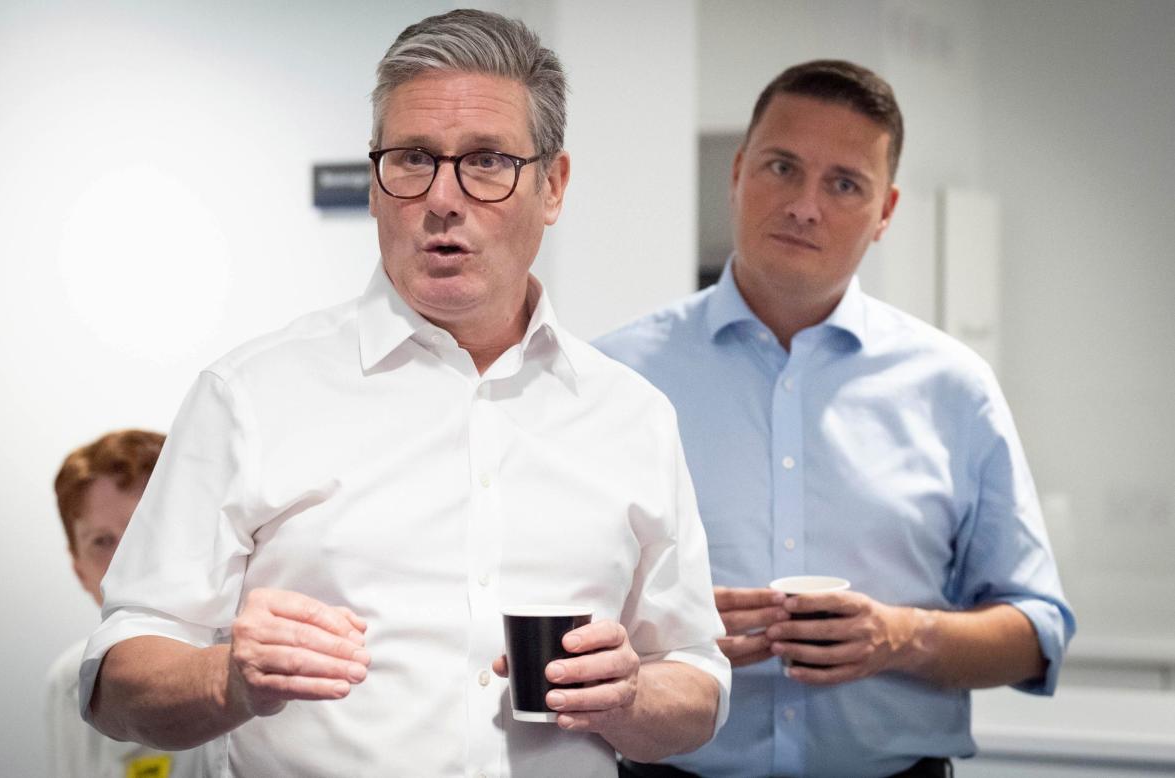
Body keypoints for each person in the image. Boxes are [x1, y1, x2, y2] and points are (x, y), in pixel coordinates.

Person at [79, 10, 729, 777]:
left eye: (486, 161)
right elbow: (115, 678)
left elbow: (696, 678)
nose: (442, 198)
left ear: (551, 187)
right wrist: (227, 680)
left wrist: (631, 702)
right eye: (413, 158)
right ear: (376, 181)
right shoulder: (250, 395)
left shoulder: (630, 416)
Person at [596, 60, 1075, 778]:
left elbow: (1035, 633)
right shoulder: (613, 380)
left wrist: (902, 636)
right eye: (781, 167)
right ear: (736, 171)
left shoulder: (953, 389)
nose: (803, 205)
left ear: (884, 213)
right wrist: (664, 638)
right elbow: (538, 607)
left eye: (843, 183)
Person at [47, 429, 209, 778]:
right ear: (79, 572)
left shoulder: (253, 660)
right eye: (103, 541)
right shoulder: (69, 682)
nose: (125, 559)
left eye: (144, 529)